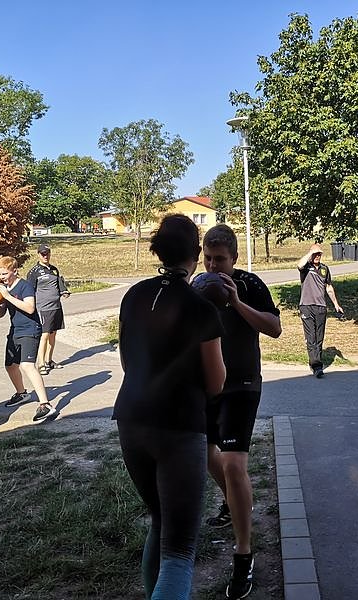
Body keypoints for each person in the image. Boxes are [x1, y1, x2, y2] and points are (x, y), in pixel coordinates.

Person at [113, 214, 226, 600]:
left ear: (157, 249)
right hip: (179, 427)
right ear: (196, 252)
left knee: (160, 520)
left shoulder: (133, 295)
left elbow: (126, 362)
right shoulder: (201, 307)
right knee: (179, 551)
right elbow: (216, 383)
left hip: (131, 420)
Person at [201, 224, 282, 599]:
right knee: (207, 455)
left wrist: (236, 302)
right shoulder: (198, 287)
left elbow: (275, 328)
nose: (213, 266)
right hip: (207, 385)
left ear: (234, 258)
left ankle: (243, 553)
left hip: (243, 384)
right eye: (207, 258)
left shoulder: (250, 284)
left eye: (220, 259)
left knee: (234, 463)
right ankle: (234, 501)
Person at [0, 256, 58, 422]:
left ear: (14, 271)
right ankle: (22, 394)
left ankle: (45, 405)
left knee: (27, 365)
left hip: (30, 330)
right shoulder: (5, 289)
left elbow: (30, 308)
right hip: (15, 330)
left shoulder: (25, 286)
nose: (1, 277)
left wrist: (7, 296)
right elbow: (1, 314)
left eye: (4, 273)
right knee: (10, 366)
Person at [297, 243, 344, 378]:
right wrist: (310, 253)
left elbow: (328, 287)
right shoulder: (306, 267)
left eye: (319, 254)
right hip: (306, 306)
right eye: (315, 254)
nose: (317, 256)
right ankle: (317, 366)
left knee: (319, 337)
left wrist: (336, 304)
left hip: (321, 306)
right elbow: (299, 265)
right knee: (311, 337)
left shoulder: (324, 269)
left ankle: (315, 361)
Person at [26, 244, 70, 375]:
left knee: (53, 334)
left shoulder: (54, 270)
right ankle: (40, 364)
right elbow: (29, 291)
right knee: (44, 335)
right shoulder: (34, 272)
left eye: (47, 253)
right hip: (43, 308)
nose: (45, 256)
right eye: (43, 254)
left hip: (56, 306)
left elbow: (59, 285)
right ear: (38, 255)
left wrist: (64, 291)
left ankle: (49, 360)